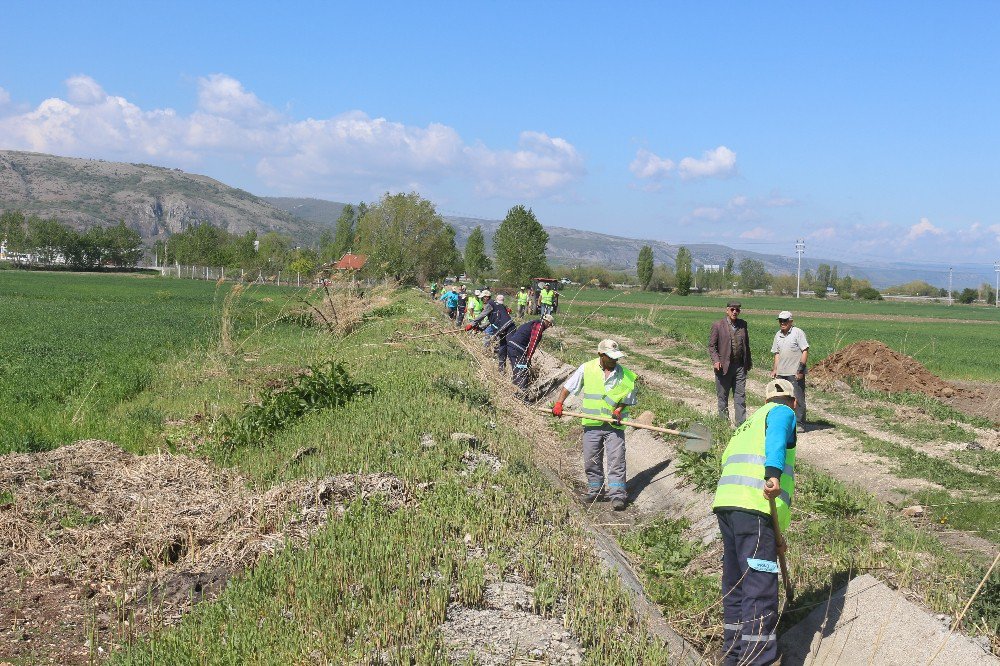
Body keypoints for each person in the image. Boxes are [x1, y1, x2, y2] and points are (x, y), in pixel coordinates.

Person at [711, 378, 797, 666]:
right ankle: (756, 659)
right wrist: (772, 474)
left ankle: (732, 654)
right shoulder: (783, 412)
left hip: (728, 505)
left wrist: (777, 535)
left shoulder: (747, 423)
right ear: (794, 402)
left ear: (764, 400)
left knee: (736, 582)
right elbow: (776, 442)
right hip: (756, 505)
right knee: (758, 584)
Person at [552, 340, 637, 511]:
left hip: (614, 425)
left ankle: (618, 495)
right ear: (600, 354)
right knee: (591, 459)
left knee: (616, 460)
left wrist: (619, 410)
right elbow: (569, 386)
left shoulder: (626, 375)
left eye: (616, 357)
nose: (615, 361)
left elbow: (628, 398)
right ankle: (595, 490)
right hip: (592, 423)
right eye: (611, 357)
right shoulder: (587, 368)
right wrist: (559, 403)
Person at [709, 301, 753, 426]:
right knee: (723, 396)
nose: (735, 312)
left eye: (737, 310)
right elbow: (712, 346)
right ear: (727, 310)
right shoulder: (718, 325)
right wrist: (716, 361)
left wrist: (748, 362)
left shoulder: (743, 324)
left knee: (740, 396)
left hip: (740, 366)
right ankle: (723, 424)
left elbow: (746, 345)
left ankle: (741, 424)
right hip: (724, 367)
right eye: (732, 309)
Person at [770, 311, 809, 433]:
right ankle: (785, 422)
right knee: (782, 398)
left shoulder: (798, 333)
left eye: (785, 320)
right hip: (781, 373)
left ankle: (799, 423)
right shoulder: (778, 335)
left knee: (798, 398)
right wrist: (775, 369)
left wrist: (801, 369)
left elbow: (805, 351)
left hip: (794, 373)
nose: (782, 323)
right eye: (780, 320)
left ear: (791, 321)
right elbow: (777, 353)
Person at [467, 292, 516, 368]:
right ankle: (501, 369)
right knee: (502, 348)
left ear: (487, 297)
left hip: (507, 327)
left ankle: (517, 367)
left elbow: (482, 315)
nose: (481, 299)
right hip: (503, 328)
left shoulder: (490, 304)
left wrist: (472, 324)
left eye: (482, 298)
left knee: (512, 348)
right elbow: (490, 321)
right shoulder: (496, 305)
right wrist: (480, 328)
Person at [505, 314, 554, 389]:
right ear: (547, 322)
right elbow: (532, 344)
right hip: (517, 348)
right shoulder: (539, 327)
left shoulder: (533, 323)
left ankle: (514, 390)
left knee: (517, 369)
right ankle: (522, 394)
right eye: (549, 325)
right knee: (522, 371)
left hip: (512, 346)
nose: (548, 327)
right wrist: (528, 357)